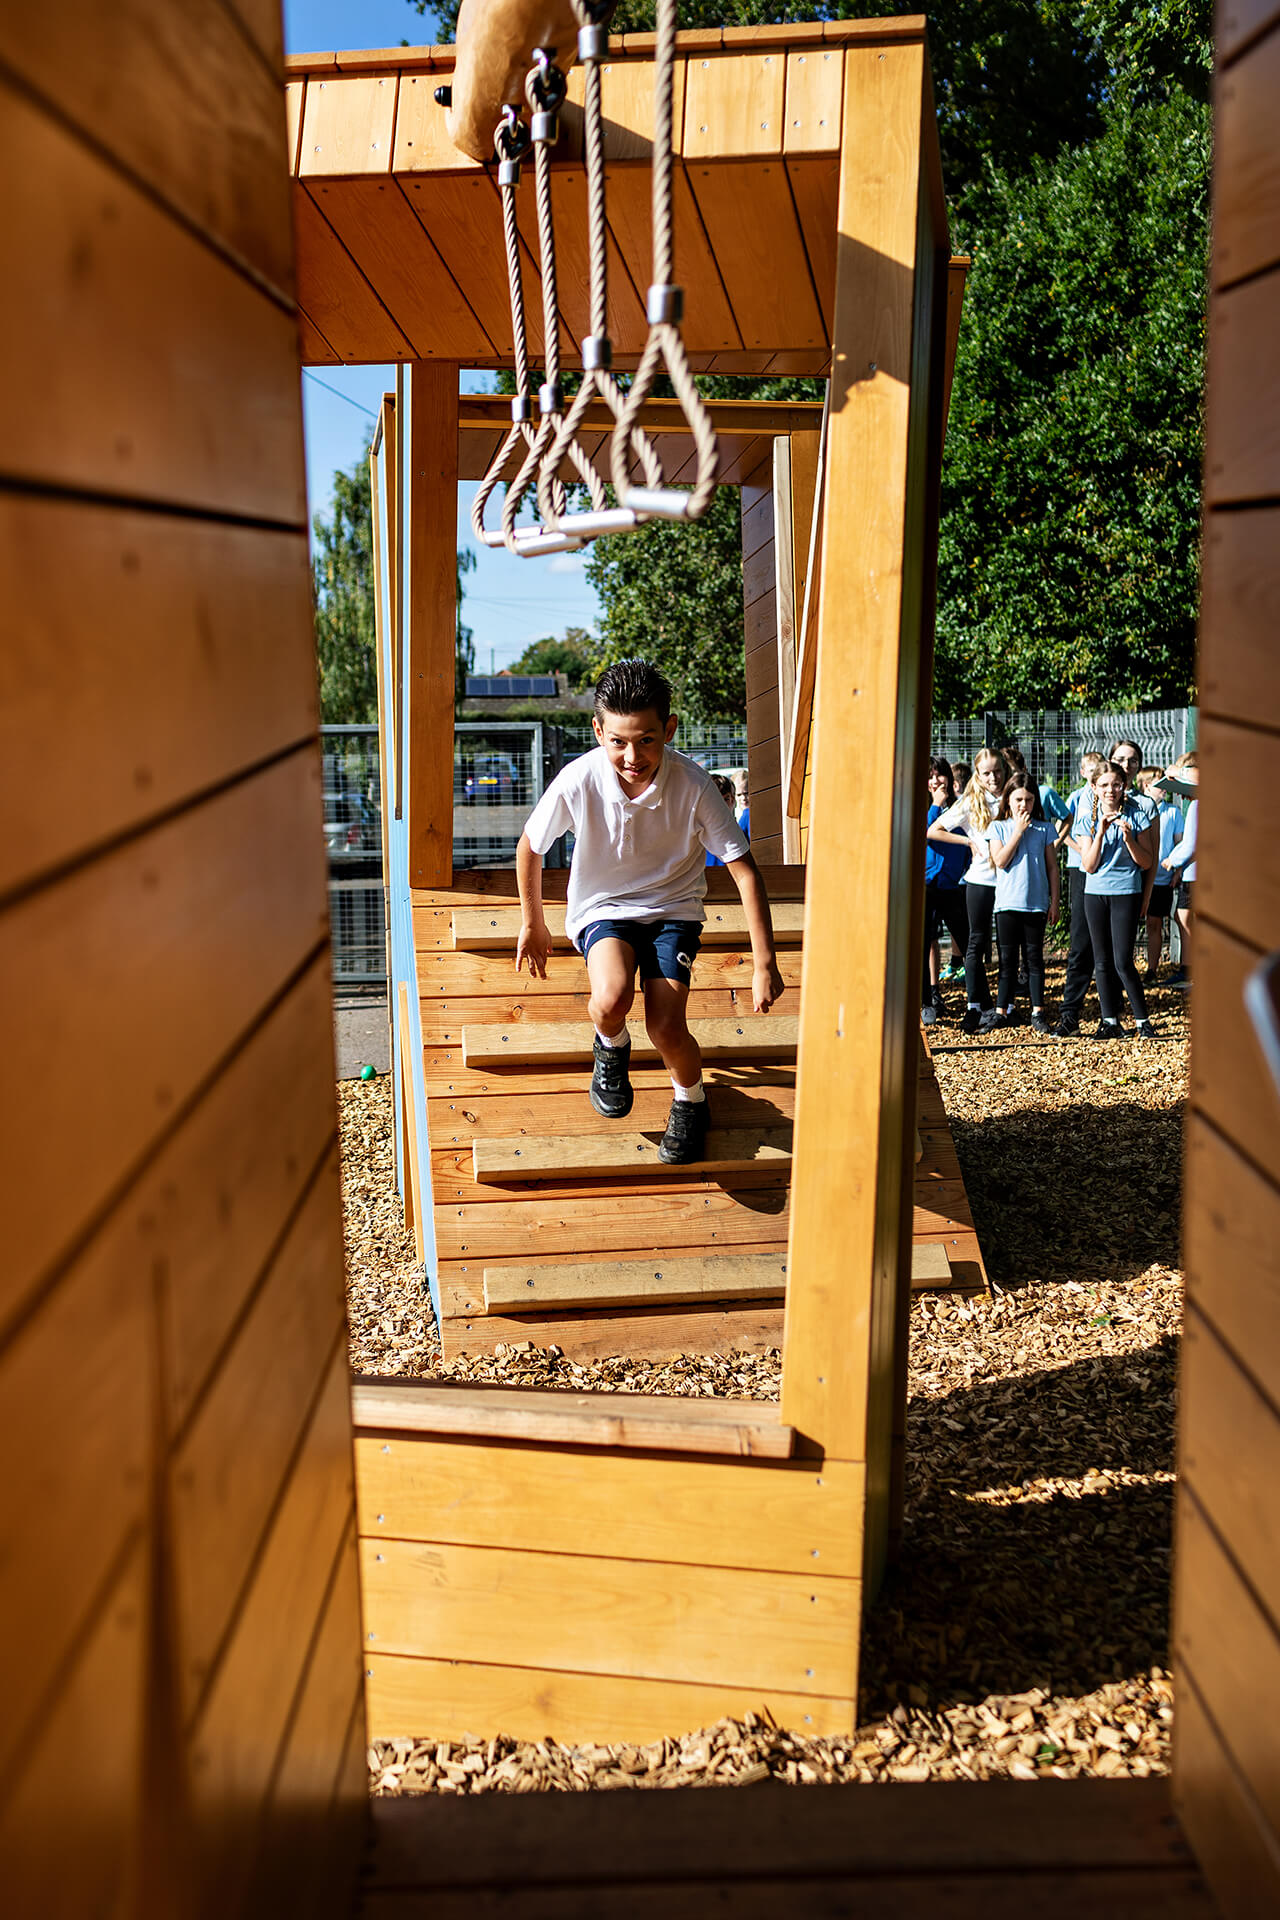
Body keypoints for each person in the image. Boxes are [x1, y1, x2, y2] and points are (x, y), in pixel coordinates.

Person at [515, 660, 785, 1164]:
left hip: (672, 912)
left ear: (669, 730)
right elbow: (530, 846)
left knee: (665, 1027)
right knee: (610, 998)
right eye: (617, 741)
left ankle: (691, 1101)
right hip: (604, 909)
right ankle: (610, 1046)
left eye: (646, 740)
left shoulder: (693, 784)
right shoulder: (579, 779)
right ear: (598, 731)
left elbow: (745, 872)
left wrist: (765, 964)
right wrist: (534, 921)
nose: (632, 756)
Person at [1074, 761, 1158, 1038]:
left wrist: (1129, 840)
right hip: (1096, 894)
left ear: (1124, 786)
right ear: (1095, 787)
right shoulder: (1086, 817)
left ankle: (1142, 1021)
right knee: (1101, 961)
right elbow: (1088, 865)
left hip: (1126, 892)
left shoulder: (1136, 815)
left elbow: (1146, 862)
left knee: (1122, 960)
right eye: (1105, 785)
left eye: (1116, 785)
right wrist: (1099, 832)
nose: (1111, 790)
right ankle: (1109, 1021)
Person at [928, 749, 1004, 1033]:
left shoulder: (1011, 796)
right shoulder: (971, 802)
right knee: (974, 943)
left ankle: (1002, 1007)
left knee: (1009, 947)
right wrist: (969, 844)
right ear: (978, 775)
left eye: (997, 771)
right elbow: (933, 830)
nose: (993, 777)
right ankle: (976, 1007)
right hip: (980, 880)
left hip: (1011, 881)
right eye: (986, 772)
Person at [985, 773, 1060, 1031]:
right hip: (1007, 904)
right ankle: (1001, 1011)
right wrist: (1017, 832)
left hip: (1036, 904)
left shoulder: (1044, 828)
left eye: (1028, 800)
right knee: (1007, 960)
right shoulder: (998, 827)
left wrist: (1055, 901)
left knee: (1034, 959)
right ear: (1008, 800)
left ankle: (1038, 1011)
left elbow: (1052, 868)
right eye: (1018, 799)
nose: (1023, 805)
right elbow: (1000, 860)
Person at [1053, 751, 1108, 1036]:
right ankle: (1070, 1012)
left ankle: (1111, 1014)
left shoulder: (1117, 795)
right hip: (1082, 870)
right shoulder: (1077, 797)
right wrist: (1084, 853)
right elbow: (1066, 829)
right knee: (1081, 939)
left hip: (1110, 877)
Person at [921, 757, 969, 1027]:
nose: (936, 781)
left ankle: (977, 1002)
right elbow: (925, 833)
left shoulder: (957, 808)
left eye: (940, 776)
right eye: (931, 776)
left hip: (951, 885)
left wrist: (962, 868)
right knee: (926, 941)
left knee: (966, 941)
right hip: (926, 885)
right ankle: (927, 998)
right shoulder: (925, 807)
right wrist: (935, 805)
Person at [1140, 771, 1182, 980]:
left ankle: (1152, 969)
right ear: (1146, 787)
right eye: (1159, 784)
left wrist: (1178, 870)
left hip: (1161, 878)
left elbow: (1179, 843)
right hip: (1138, 877)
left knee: (1155, 923)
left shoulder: (1173, 812)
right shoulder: (1137, 809)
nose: (1164, 788)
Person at [705, 775, 737, 867]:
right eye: (717, 800)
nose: (722, 805)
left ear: (733, 801)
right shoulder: (699, 834)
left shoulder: (739, 833)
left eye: (726, 799)